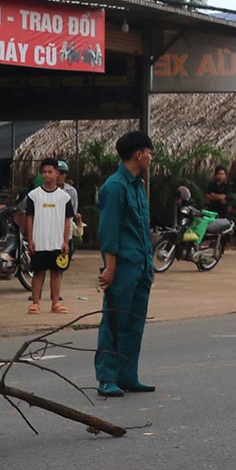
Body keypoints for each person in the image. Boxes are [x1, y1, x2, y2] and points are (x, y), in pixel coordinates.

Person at [96, 130, 156, 399]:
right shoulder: (114, 186)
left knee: (135, 323)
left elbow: (141, 227)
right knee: (114, 321)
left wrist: (149, 264)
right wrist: (110, 267)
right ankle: (107, 377)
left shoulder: (137, 185)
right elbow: (109, 230)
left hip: (141, 265)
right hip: (122, 266)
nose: (151, 157)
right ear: (138, 154)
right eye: (149, 153)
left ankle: (127, 375)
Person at [18, 160, 76, 315]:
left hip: (57, 242)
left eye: (50, 172)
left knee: (56, 273)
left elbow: (67, 220)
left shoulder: (64, 197)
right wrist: (30, 239)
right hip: (39, 242)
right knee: (38, 273)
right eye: (44, 172)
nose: (47, 175)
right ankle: (35, 303)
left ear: (57, 173)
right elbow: (29, 217)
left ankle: (55, 303)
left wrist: (66, 241)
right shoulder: (34, 196)